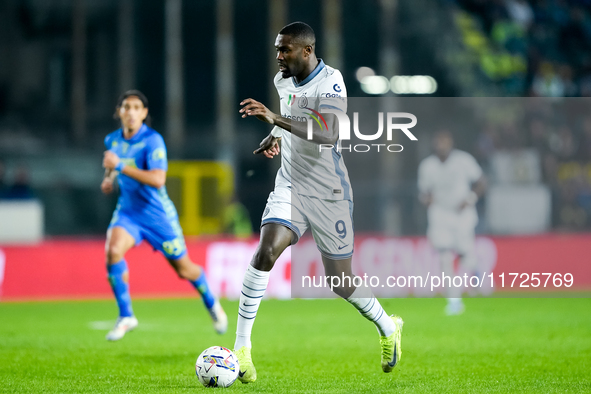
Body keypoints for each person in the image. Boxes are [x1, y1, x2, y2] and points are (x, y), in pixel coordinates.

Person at [233, 22, 403, 383]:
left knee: (340, 282)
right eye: (277, 49)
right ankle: (242, 350)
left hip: (329, 191)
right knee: (266, 251)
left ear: (307, 51)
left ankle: (388, 327)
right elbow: (291, 115)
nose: (278, 56)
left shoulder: (332, 82)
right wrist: (274, 134)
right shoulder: (283, 80)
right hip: (291, 185)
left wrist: (276, 119)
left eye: (285, 50)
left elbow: (327, 133)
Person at [101, 90, 227, 341]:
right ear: (119, 112)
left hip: (158, 216)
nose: (131, 112)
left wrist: (120, 167)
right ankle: (126, 315)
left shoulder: (153, 141)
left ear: (144, 113)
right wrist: (108, 180)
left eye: (137, 107)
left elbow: (158, 179)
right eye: (126, 107)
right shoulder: (112, 140)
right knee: (113, 250)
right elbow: (112, 169)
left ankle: (212, 304)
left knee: (184, 270)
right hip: (128, 213)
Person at [418, 130, 486, 315]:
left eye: (444, 141)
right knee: (444, 258)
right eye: (438, 142)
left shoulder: (463, 161)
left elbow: (481, 181)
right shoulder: (427, 166)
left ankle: (467, 280)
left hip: (462, 214)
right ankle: (454, 301)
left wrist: (470, 198)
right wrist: (427, 200)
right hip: (440, 214)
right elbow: (424, 193)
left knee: (467, 257)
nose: (441, 145)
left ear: (451, 142)